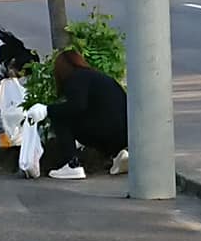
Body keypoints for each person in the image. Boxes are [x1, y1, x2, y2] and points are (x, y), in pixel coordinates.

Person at [25, 51, 129, 180]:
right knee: (107, 120)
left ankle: (72, 164)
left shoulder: (75, 78)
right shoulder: (98, 77)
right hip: (124, 133)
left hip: (103, 131)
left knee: (59, 116)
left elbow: (77, 106)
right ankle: (119, 155)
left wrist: (47, 110)